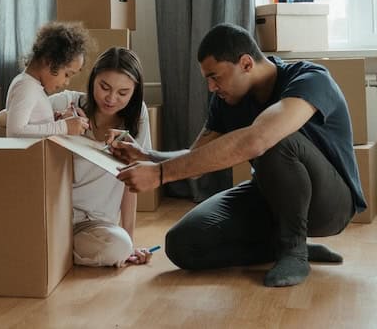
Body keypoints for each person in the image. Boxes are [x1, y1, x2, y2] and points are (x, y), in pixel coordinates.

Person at [112, 23, 366, 287]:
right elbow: (196, 158)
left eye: (215, 76)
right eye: (207, 79)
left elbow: (259, 140)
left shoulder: (311, 79)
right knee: (181, 244)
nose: (211, 87)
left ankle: (294, 249)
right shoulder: (226, 100)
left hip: (331, 204)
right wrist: (148, 156)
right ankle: (281, 245)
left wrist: (160, 174)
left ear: (246, 63)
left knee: (274, 138)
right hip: (271, 196)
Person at [0, 47, 156, 267]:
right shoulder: (67, 103)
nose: (110, 98)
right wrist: (58, 123)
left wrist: (130, 241)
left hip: (95, 225)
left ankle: (48, 250)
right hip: (53, 215)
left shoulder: (138, 118)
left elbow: (132, 182)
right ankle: (49, 247)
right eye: (104, 87)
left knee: (120, 247)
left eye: (123, 93)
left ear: (134, 93)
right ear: (92, 80)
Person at [5, 22, 91, 137]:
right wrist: (63, 127)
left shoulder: (33, 86)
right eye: (67, 74)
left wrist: (54, 121)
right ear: (49, 61)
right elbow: (15, 132)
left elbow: (33, 127)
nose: (67, 82)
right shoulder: (26, 87)